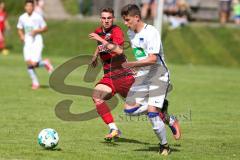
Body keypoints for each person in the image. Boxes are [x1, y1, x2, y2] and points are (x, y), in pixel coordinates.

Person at [121, 4, 180, 155]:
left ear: (137, 17)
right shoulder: (130, 33)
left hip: (158, 75)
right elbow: (142, 56)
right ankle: (168, 117)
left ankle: (164, 146)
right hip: (143, 76)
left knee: (152, 113)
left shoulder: (151, 32)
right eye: (124, 20)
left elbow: (153, 59)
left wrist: (132, 65)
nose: (126, 23)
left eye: (127, 20)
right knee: (129, 110)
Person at [88, 7, 135, 141]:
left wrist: (101, 40)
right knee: (97, 96)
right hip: (109, 76)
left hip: (124, 75)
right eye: (104, 18)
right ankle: (114, 128)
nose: (106, 21)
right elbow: (100, 46)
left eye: (109, 18)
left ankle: (168, 119)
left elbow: (119, 50)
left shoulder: (116, 31)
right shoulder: (98, 32)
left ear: (113, 19)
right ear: (100, 19)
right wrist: (95, 56)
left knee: (140, 109)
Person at [17, 0, 53, 90]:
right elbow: (19, 28)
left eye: (30, 6)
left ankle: (45, 63)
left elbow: (45, 28)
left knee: (34, 63)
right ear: (25, 7)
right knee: (29, 63)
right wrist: (21, 36)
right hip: (27, 42)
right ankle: (35, 83)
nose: (29, 8)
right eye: (27, 6)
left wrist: (36, 31)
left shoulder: (38, 17)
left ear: (33, 7)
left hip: (37, 42)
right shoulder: (22, 17)